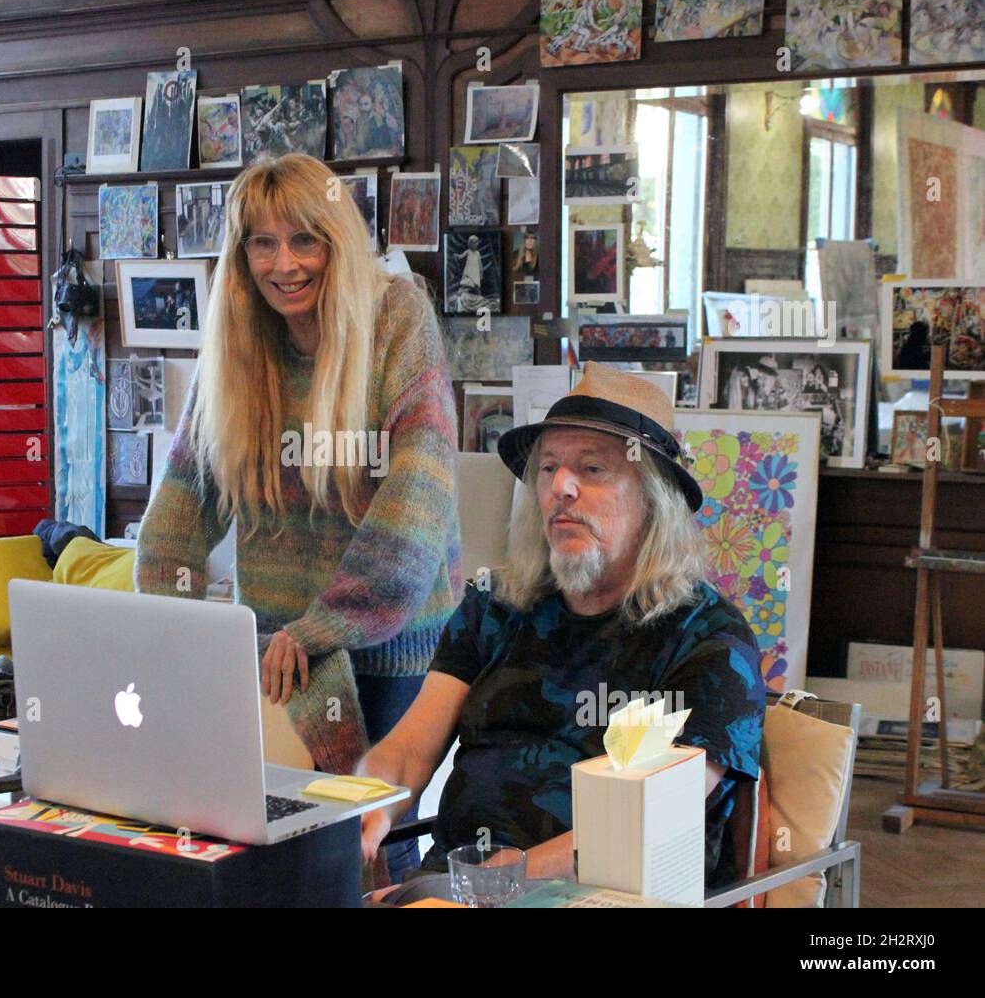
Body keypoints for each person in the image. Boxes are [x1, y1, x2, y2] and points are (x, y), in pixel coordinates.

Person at [135, 153, 463, 883]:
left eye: (304, 240)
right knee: (277, 850)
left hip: (393, 643)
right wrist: (173, 632)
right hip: (277, 655)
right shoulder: (237, 339)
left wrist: (318, 630)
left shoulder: (397, 317)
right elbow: (178, 513)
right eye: (261, 242)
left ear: (337, 240)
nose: (283, 263)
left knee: (372, 849)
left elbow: (420, 499)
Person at [358, 363, 766, 889]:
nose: (560, 488)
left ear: (654, 499)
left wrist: (501, 880)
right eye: (548, 468)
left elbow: (647, 818)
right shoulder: (495, 606)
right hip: (457, 888)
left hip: (603, 895)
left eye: (592, 469)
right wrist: (367, 803)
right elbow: (411, 747)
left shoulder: (710, 640)